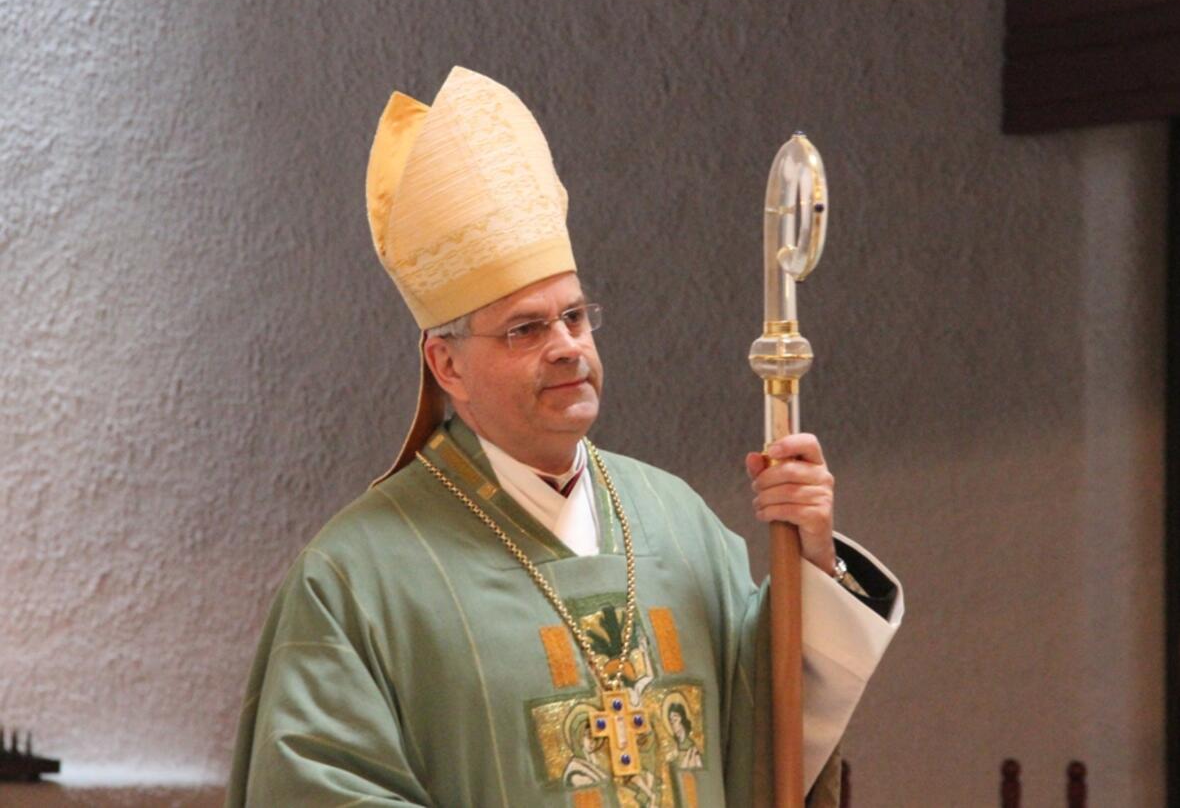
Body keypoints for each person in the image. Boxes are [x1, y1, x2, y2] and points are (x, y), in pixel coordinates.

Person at [226, 67, 903, 808]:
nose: (567, 347)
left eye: (575, 317)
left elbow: (765, 741)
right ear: (447, 364)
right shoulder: (355, 580)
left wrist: (812, 558)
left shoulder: (678, 522)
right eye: (526, 329)